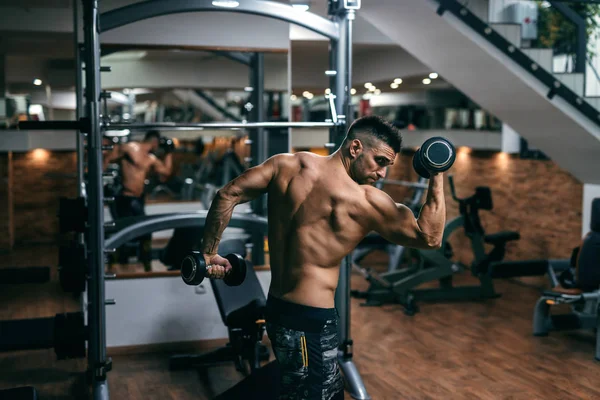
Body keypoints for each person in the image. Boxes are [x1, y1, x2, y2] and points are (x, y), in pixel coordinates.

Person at [200, 116, 446, 399]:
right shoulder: (364, 201)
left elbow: (227, 194)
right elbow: (430, 237)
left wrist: (209, 253)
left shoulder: (286, 165)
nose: (382, 174)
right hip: (310, 322)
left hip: (277, 312)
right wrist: (436, 171)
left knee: (295, 389)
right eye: (380, 161)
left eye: (387, 166)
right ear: (355, 148)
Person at [105, 130, 173, 271]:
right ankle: (114, 265)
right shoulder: (129, 147)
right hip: (125, 197)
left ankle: (146, 264)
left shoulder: (150, 158)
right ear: (154, 141)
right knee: (123, 231)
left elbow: (166, 172)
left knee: (145, 231)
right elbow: (107, 158)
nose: (158, 147)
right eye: (158, 144)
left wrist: (169, 152)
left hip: (138, 199)